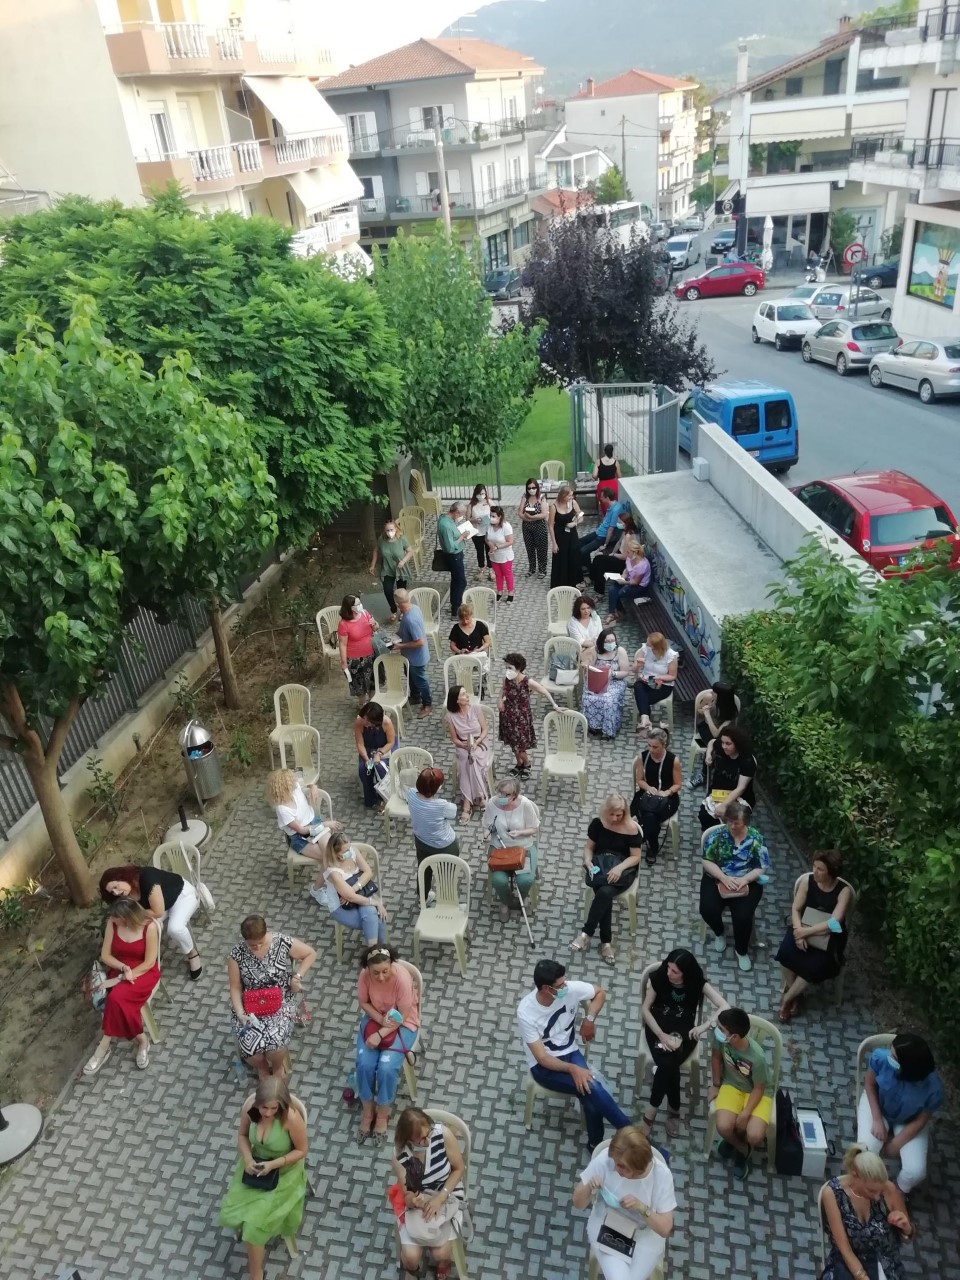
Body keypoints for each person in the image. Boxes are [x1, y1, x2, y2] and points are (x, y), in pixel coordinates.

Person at [516, 958, 631, 1147]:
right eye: (560, 985)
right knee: (591, 1089)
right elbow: (542, 1057)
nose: (565, 987)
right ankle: (633, 1135)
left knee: (590, 1094)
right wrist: (573, 1069)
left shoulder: (570, 989)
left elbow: (600, 993)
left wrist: (589, 1019)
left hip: (570, 1051)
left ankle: (599, 1143)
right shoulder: (526, 1012)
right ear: (545, 988)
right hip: (544, 1066)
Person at [218, 1076, 308, 1280]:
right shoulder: (251, 1109)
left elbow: (302, 1150)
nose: (267, 1113)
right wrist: (248, 1158)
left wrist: (274, 1164)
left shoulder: (290, 1118)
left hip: (284, 1172)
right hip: (255, 1167)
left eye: (273, 1108)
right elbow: (242, 1136)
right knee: (241, 1212)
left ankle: (256, 1274)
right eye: (264, 1107)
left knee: (253, 1227)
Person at [639, 949, 728, 1139]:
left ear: (685, 973)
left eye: (675, 971)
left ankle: (650, 1114)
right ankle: (673, 1110)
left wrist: (705, 1025)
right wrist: (661, 1035)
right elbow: (645, 1010)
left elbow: (724, 1006)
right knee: (669, 1064)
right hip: (657, 1028)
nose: (668, 973)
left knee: (667, 1064)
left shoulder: (696, 983)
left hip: (685, 1033)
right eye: (668, 968)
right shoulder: (660, 977)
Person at [572, 1125, 676, 1280]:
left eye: (621, 1166)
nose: (615, 1168)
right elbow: (577, 1203)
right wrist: (588, 1186)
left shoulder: (661, 1175)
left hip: (645, 1236)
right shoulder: (606, 1160)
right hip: (606, 1227)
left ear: (638, 1168)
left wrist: (642, 1208)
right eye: (615, 1162)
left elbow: (665, 1229)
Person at [227, 915, 317, 1081]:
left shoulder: (281, 941)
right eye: (252, 945)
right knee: (251, 1048)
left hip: (280, 999)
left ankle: (277, 1068)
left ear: (266, 933)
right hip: (250, 1004)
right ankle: (261, 1068)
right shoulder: (236, 954)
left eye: (261, 943)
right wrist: (240, 1013)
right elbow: (235, 987)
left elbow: (310, 953)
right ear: (245, 940)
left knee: (275, 1043)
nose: (257, 947)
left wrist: (297, 977)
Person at [856, 1032, 943, 1193]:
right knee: (867, 1151)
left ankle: (897, 1191)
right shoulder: (881, 1059)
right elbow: (869, 1085)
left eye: (894, 1057)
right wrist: (876, 1119)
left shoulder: (933, 1089)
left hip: (909, 1120)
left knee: (915, 1171)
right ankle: (865, 1185)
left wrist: (897, 1143)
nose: (889, 1057)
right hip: (877, 1105)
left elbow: (922, 1119)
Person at [82, 897, 161, 1075]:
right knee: (117, 1001)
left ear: (127, 918)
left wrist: (126, 976)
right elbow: (105, 956)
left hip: (143, 972)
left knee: (115, 999)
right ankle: (142, 1040)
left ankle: (103, 1046)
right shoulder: (112, 923)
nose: (112, 919)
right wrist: (123, 969)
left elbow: (149, 962)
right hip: (120, 968)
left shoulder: (149, 927)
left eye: (116, 917)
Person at [775, 850, 852, 1022]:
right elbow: (796, 909)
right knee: (785, 954)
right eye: (814, 866)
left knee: (812, 966)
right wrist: (798, 931)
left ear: (831, 872)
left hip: (829, 936)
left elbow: (835, 922)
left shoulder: (843, 891)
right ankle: (796, 995)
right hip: (802, 926)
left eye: (820, 869)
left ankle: (787, 999)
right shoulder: (807, 881)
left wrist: (806, 932)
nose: (815, 871)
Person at [392, 1106, 466, 1280]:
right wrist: (414, 1200)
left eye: (428, 1134)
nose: (427, 1142)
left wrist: (440, 1198)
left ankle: (443, 1263)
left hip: (447, 1191)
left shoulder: (443, 1135)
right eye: (420, 1140)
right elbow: (407, 1194)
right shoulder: (400, 1155)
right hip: (421, 1201)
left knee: (442, 1254)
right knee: (411, 1257)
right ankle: (412, 1270)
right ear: (408, 1140)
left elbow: (459, 1168)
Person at [356, 945, 420, 1145]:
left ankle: (382, 1113)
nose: (381, 977)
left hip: (403, 1023)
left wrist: (380, 1033)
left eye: (385, 971)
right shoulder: (364, 976)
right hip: (376, 1018)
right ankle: (368, 1111)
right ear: (367, 969)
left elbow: (404, 1015)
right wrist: (379, 1020)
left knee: (386, 1067)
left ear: (392, 964)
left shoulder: (402, 979)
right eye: (375, 973)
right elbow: (364, 1002)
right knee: (364, 1064)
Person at [821, 1145, 914, 1280]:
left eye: (880, 1191)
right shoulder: (832, 1194)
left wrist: (907, 1228)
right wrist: (862, 1276)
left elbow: (908, 1237)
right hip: (847, 1262)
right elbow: (844, 1248)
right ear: (855, 1176)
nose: (877, 1197)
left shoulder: (889, 1189)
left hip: (885, 1261)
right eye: (871, 1190)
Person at [570, 794, 643, 965]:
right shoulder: (598, 824)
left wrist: (620, 868)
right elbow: (589, 847)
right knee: (604, 893)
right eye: (612, 814)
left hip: (622, 870)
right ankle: (605, 943)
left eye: (619, 815)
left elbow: (636, 857)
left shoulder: (631, 828)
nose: (616, 818)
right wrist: (587, 860)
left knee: (604, 893)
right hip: (600, 867)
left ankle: (586, 934)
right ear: (606, 811)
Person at [699, 801, 769, 972]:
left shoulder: (755, 838)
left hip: (746, 880)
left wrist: (745, 880)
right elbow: (707, 861)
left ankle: (741, 950)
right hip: (718, 877)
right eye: (730, 821)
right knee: (707, 909)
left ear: (745, 823)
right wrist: (723, 877)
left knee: (743, 917)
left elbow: (762, 866)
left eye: (736, 823)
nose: (732, 826)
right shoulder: (717, 835)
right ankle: (719, 931)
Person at [100, 863, 201, 979]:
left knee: (175, 928)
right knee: (145, 927)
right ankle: (150, 956)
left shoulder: (147, 877)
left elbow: (158, 912)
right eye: (112, 891)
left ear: (123, 877)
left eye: (116, 886)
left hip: (180, 896)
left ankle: (192, 953)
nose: (116, 892)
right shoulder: (123, 894)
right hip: (156, 907)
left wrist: (132, 915)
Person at [709, 1006, 775, 1181]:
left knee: (755, 1135)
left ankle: (738, 1143)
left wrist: (746, 1113)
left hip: (757, 1091)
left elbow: (759, 1088)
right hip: (731, 1084)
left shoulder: (757, 1058)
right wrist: (715, 1084)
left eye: (721, 1029)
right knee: (723, 1127)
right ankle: (742, 1149)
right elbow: (715, 1057)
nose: (717, 1031)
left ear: (735, 1037)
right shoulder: (721, 1040)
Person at [310, 830, 387, 948]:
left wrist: (353, 889)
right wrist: (375, 902)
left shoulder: (353, 851)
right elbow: (351, 897)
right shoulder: (333, 871)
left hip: (360, 894)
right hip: (341, 907)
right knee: (375, 918)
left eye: (349, 848)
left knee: (372, 915)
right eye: (345, 851)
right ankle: (379, 951)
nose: (349, 852)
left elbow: (368, 872)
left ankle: (376, 951)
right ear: (336, 854)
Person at [483, 776, 541, 916]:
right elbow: (487, 825)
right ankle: (507, 901)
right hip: (499, 849)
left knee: (525, 880)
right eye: (500, 792)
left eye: (506, 794)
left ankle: (523, 897)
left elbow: (534, 829)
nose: (501, 797)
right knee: (498, 880)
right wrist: (486, 835)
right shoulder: (492, 803)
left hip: (523, 848)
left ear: (515, 795)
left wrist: (520, 833)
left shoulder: (525, 805)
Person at [498, 651, 558, 778]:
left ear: (519, 668)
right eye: (506, 667)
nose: (507, 670)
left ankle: (527, 764)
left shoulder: (527, 682)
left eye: (510, 668)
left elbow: (543, 691)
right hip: (508, 717)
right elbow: (503, 691)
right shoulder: (506, 679)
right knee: (513, 744)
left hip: (522, 719)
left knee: (520, 746)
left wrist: (554, 705)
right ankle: (519, 764)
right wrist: (500, 701)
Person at [630, 728, 682, 866]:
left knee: (649, 816)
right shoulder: (643, 757)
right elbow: (639, 780)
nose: (651, 749)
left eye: (655, 747)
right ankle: (652, 845)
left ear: (664, 745)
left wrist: (667, 792)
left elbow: (678, 785)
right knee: (650, 816)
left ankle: (643, 841)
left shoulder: (673, 760)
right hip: (645, 795)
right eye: (649, 745)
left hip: (667, 798)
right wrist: (648, 788)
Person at [408, 767, 460, 903]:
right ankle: (448, 901)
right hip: (445, 845)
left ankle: (423, 899)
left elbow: (412, 789)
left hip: (421, 841)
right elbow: (453, 813)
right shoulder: (443, 805)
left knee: (424, 869)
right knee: (447, 874)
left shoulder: (411, 794)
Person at [267, 769, 340, 863]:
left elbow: (308, 784)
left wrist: (313, 787)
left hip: (314, 823)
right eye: (292, 780)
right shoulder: (282, 809)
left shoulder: (296, 787)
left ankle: (335, 871)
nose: (295, 779)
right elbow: (301, 830)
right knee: (328, 857)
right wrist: (325, 824)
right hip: (299, 837)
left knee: (330, 854)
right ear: (285, 787)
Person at [445, 684, 491, 822]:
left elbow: (485, 730)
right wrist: (464, 745)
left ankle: (467, 804)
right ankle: (480, 797)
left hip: (480, 743)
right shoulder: (450, 716)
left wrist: (477, 742)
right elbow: (454, 739)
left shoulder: (475, 708)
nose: (467, 696)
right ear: (457, 700)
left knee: (472, 759)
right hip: (463, 745)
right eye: (463, 694)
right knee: (468, 759)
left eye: (466, 693)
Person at [698, 724, 756, 832]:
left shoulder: (747, 761)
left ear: (737, 744)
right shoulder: (720, 747)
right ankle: (710, 838)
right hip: (717, 791)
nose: (724, 746)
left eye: (728, 744)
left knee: (732, 820)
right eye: (723, 742)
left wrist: (724, 805)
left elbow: (741, 788)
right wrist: (708, 754)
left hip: (740, 796)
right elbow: (712, 742)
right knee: (705, 816)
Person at [582, 627, 630, 739]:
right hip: (598, 680)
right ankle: (593, 726)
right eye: (607, 641)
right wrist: (588, 668)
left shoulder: (620, 651)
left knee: (608, 700)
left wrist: (612, 674)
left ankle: (608, 730)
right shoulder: (596, 650)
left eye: (612, 641)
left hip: (615, 682)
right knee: (588, 697)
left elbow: (625, 672)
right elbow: (590, 666)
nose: (610, 643)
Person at [690, 680, 739, 788]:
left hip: (720, 733)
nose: (711, 693)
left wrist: (708, 715)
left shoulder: (731, 712)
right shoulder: (709, 697)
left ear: (721, 696)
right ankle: (703, 775)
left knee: (721, 746)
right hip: (704, 727)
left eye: (714, 692)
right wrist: (704, 711)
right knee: (715, 748)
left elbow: (717, 734)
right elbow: (698, 711)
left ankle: (723, 775)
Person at [393, 588, 433, 718]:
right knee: (409, 675)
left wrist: (401, 645)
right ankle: (415, 696)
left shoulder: (410, 619)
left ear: (397, 604)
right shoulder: (414, 608)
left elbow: (419, 642)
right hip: (410, 656)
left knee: (420, 681)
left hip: (416, 658)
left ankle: (427, 704)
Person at [632, 633, 678, 739]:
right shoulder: (645, 650)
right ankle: (645, 720)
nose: (647, 645)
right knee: (637, 686)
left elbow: (672, 676)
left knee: (642, 698)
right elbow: (634, 670)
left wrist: (659, 677)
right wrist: (637, 665)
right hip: (646, 681)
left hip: (663, 684)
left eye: (650, 645)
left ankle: (645, 721)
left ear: (657, 646)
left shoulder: (671, 655)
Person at [369, 517, 414, 622]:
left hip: (400, 569)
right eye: (387, 530)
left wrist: (403, 561)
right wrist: (372, 565)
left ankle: (403, 611)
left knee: (401, 593)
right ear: (384, 531)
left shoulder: (402, 539)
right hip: (387, 569)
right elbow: (376, 550)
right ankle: (393, 609)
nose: (390, 532)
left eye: (391, 530)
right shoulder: (382, 539)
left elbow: (410, 551)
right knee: (387, 590)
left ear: (396, 529)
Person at [354, 700, 396, 809]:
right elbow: (360, 744)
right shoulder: (359, 723)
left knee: (380, 767)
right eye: (364, 718)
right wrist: (366, 759)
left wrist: (380, 753)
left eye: (368, 721)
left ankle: (385, 796)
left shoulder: (386, 722)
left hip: (384, 749)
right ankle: (371, 800)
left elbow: (391, 742)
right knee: (364, 769)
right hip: (368, 750)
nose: (365, 722)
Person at [337, 594, 378, 698]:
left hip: (370, 655)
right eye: (358, 604)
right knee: (359, 686)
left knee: (372, 683)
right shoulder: (343, 624)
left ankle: (372, 702)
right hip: (355, 660)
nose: (360, 605)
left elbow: (375, 628)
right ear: (351, 608)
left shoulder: (365, 613)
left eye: (360, 602)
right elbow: (342, 644)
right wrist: (343, 663)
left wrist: (374, 623)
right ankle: (362, 703)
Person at [589, 512, 639, 596]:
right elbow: (619, 543)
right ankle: (593, 578)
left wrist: (613, 555)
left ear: (626, 523)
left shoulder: (629, 536)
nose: (618, 524)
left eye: (620, 522)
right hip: (619, 555)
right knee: (599, 559)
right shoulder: (625, 532)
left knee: (599, 560)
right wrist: (613, 552)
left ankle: (599, 591)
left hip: (624, 562)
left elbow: (625, 556)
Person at [578, 487, 627, 570]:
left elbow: (611, 529)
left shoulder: (615, 510)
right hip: (598, 531)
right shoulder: (612, 506)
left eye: (602, 497)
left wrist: (605, 544)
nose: (600, 498)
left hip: (602, 536)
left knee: (583, 550)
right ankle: (586, 565)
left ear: (607, 498)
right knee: (580, 542)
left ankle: (589, 568)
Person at [603, 539, 651, 624]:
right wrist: (623, 576)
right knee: (612, 590)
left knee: (620, 592)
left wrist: (624, 582)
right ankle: (612, 613)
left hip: (639, 586)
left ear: (635, 552)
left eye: (628, 552)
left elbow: (636, 582)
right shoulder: (629, 558)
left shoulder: (642, 565)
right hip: (628, 580)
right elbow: (626, 570)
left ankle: (619, 613)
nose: (626, 554)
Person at [437, 500, 470, 615]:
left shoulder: (446, 519)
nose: (461, 517)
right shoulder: (445, 525)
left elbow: (452, 535)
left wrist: (460, 536)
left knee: (456, 580)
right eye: (461, 514)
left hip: (457, 555)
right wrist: (462, 537)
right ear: (456, 512)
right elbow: (450, 547)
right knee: (461, 582)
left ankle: (454, 604)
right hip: (454, 556)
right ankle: (456, 608)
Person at [548, 482, 584, 588]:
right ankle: (561, 582)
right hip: (560, 536)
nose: (571, 497)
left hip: (572, 535)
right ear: (563, 496)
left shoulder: (573, 503)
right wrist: (554, 543)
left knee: (573, 556)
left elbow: (581, 516)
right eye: (569, 495)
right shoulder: (554, 507)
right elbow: (550, 525)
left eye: (571, 495)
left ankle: (574, 581)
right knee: (561, 558)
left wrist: (575, 523)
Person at [448, 601, 491, 685]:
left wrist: (480, 649)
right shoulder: (456, 628)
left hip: (477, 656)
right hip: (463, 657)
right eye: (462, 619)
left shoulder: (479, 625)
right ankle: (463, 683)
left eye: (467, 619)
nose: (465, 621)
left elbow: (487, 642)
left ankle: (482, 684)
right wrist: (460, 651)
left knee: (483, 665)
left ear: (471, 616)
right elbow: (452, 645)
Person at [517, 477, 549, 577]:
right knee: (529, 548)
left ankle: (542, 570)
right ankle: (532, 568)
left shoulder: (542, 497)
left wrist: (531, 517)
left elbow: (544, 514)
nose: (531, 490)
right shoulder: (524, 497)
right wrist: (527, 518)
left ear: (537, 487)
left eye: (533, 487)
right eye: (529, 488)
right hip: (527, 527)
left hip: (540, 526)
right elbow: (520, 512)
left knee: (541, 549)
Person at [486, 504, 516, 602]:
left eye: (493, 516)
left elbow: (510, 541)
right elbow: (486, 538)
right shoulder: (489, 525)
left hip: (505, 554)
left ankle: (511, 592)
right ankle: (499, 591)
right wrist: (490, 545)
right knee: (498, 574)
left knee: (507, 574)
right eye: (490, 515)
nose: (491, 518)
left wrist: (497, 547)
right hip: (494, 555)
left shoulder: (506, 527)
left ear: (499, 516)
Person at [567, 593, 602, 668]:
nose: (586, 611)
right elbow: (579, 641)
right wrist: (594, 643)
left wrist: (594, 644)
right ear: (578, 610)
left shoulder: (596, 619)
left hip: (596, 648)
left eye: (588, 608)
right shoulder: (573, 622)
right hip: (580, 650)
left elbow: (600, 636)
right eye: (583, 609)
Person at [468, 483, 491, 580]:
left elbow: (497, 513)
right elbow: (467, 519)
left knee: (489, 550)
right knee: (480, 551)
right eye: (479, 494)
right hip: (477, 532)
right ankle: (481, 568)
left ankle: (491, 569)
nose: (481, 496)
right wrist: (474, 520)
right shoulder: (471, 505)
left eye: (483, 494)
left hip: (488, 531)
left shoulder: (489, 502)